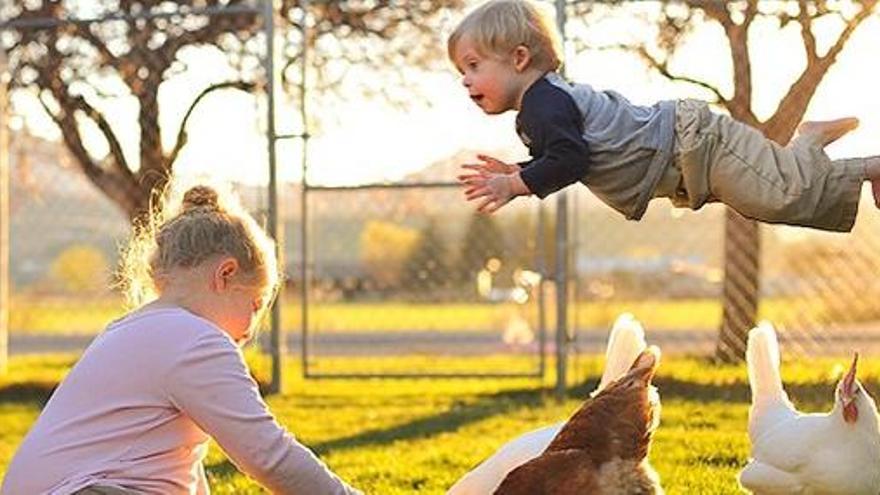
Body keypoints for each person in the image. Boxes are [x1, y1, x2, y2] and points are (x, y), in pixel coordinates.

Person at [1, 184, 360, 495]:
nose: (251, 330)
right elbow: (269, 456)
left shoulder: (137, 329)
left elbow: (183, 468)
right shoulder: (194, 340)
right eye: (255, 305)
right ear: (225, 274)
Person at [450, 0, 880, 232]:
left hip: (698, 146)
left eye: (473, 65)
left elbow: (570, 160)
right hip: (687, 159)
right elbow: (568, 154)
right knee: (776, 200)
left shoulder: (544, 104)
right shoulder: (544, 104)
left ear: (519, 58)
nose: (466, 81)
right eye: (460, 72)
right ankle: (810, 145)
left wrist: (515, 183)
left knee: (781, 196)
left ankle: (859, 162)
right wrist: (522, 171)